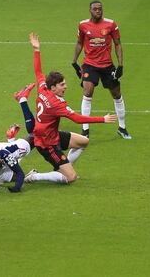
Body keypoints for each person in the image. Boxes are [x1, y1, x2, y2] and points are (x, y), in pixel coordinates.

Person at [25, 32, 117, 185]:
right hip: (47, 144)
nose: (65, 87)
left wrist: (36, 50)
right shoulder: (56, 104)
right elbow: (77, 118)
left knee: (84, 142)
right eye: (62, 85)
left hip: (51, 134)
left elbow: (38, 72)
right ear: (53, 87)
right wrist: (103, 119)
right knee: (71, 178)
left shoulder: (43, 87)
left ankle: (65, 167)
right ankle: (35, 176)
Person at [71, 0, 131, 139]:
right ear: (90, 10)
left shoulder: (111, 24)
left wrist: (120, 65)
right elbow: (80, 43)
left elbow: (118, 44)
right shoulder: (83, 25)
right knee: (88, 91)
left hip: (107, 65)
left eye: (100, 9)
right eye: (95, 9)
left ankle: (122, 127)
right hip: (90, 65)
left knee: (116, 94)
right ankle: (85, 130)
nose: (98, 11)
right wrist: (74, 61)